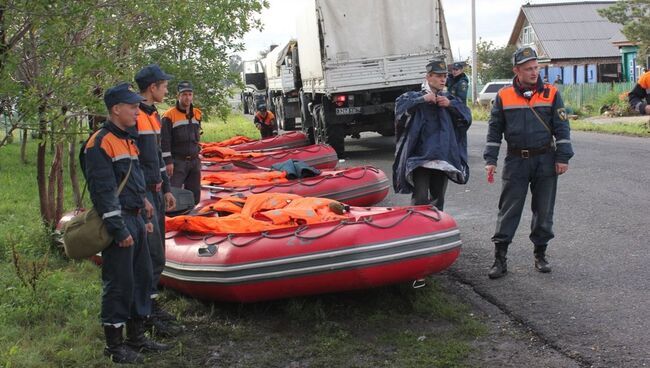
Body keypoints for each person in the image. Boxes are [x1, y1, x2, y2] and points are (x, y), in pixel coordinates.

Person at [82, 83, 170, 364]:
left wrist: (144, 210)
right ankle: (114, 346)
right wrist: (119, 230)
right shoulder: (99, 143)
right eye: (132, 107)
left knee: (141, 279)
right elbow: (103, 193)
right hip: (119, 222)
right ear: (116, 109)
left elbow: (134, 182)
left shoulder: (128, 139)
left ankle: (137, 336)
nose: (136, 111)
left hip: (135, 218)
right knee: (119, 283)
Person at [484, 47, 574, 279]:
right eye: (528, 69)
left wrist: (563, 157)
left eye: (536, 68)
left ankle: (540, 254)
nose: (534, 73)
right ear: (517, 70)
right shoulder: (503, 96)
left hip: (545, 159)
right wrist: (490, 160)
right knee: (508, 210)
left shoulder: (552, 93)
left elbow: (562, 128)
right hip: (516, 160)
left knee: (544, 210)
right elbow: (494, 131)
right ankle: (500, 258)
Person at [133, 64, 180, 335]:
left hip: (157, 190)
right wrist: (143, 196)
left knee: (158, 255)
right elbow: (133, 162)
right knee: (149, 255)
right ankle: (144, 313)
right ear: (152, 87)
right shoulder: (136, 116)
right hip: (144, 194)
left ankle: (150, 304)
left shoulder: (153, 115)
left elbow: (158, 158)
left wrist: (167, 190)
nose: (166, 89)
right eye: (163, 85)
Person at [393, 59, 472, 210]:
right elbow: (400, 112)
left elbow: (466, 118)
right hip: (419, 159)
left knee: (438, 198)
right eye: (438, 76)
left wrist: (451, 105)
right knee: (420, 198)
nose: (443, 79)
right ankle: (419, 227)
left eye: (445, 76)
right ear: (428, 77)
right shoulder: (413, 96)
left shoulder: (450, 99)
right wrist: (421, 100)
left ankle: (437, 228)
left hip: (442, 157)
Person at [161, 81, 203, 204]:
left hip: (194, 161)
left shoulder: (197, 114)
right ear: (178, 96)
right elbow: (164, 141)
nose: (187, 98)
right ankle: (173, 219)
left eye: (190, 94)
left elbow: (197, 137)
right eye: (184, 94)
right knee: (173, 194)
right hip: (177, 162)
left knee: (194, 195)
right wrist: (168, 162)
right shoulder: (169, 116)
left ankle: (191, 218)